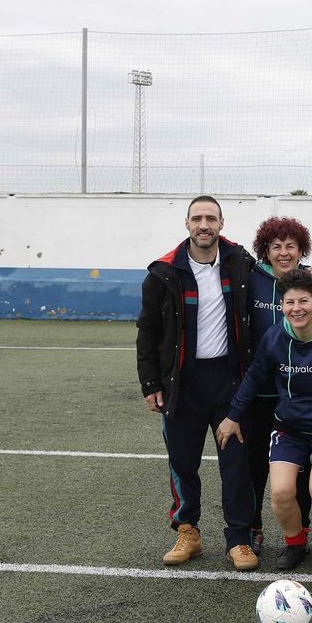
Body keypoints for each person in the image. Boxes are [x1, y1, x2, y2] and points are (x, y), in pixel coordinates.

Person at [135, 195, 259, 571]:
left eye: (211, 218)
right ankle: (188, 530)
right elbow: (148, 332)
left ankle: (239, 539)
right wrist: (150, 384)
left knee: (236, 463)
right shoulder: (163, 273)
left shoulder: (241, 264)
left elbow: (275, 286)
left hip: (229, 382)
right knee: (182, 463)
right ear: (187, 224)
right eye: (197, 219)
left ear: (222, 224)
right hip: (182, 384)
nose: (204, 225)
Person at [217, 268, 312, 574]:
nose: (297, 308)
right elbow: (253, 379)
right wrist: (232, 416)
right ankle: (296, 543)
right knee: (280, 492)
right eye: (290, 302)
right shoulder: (274, 337)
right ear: (282, 306)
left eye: (303, 301)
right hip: (289, 427)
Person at [240, 216, 312, 554]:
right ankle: (253, 527)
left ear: (301, 250)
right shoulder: (250, 280)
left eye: (291, 246)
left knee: (302, 466)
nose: (284, 253)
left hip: (300, 393)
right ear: (265, 250)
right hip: (260, 393)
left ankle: (299, 531)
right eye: (276, 247)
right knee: (255, 464)